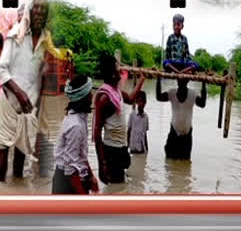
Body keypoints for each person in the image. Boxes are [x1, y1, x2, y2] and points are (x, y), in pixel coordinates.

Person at [0, 0, 52, 181]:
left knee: (20, 161)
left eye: (44, 9)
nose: (40, 12)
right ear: (30, 10)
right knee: (2, 159)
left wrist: (38, 110)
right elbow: (1, 69)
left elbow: (39, 82)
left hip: (28, 110)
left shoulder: (45, 43)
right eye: (37, 8)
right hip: (8, 105)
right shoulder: (16, 34)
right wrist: (19, 93)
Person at [93, 55, 145, 185]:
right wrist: (101, 166)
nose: (120, 72)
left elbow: (131, 98)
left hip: (121, 148)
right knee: (116, 188)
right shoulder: (105, 97)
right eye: (117, 70)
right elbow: (97, 135)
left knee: (120, 185)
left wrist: (141, 79)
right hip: (111, 151)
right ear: (112, 75)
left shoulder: (116, 92)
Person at [52, 74, 99, 194]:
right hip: (67, 182)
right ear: (84, 97)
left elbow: (79, 155)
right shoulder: (76, 125)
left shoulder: (75, 117)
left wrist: (90, 176)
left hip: (71, 176)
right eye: (90, 93)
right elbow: (70, 169)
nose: (92, 95)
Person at [156, 75, 207, 160]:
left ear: (187, 81)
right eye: (180, 80)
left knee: (185, 161)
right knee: (170, 160)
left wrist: (204, 84)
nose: (181, 82)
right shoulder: (172, 93)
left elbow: (202, 104)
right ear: (177, 81)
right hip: (174, 133)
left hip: (187, 136)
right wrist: (158, 79)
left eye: (183, 80)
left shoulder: (192, 94)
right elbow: (159, 97)